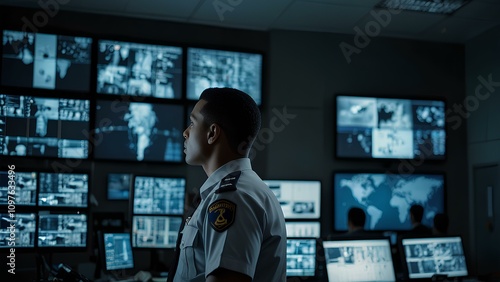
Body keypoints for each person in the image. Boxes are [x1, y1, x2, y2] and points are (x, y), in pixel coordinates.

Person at [168, 87, 287, 282]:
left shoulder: (232, 197)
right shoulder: (244, 189)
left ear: (212, 133)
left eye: (192, 123)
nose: (185, 133)